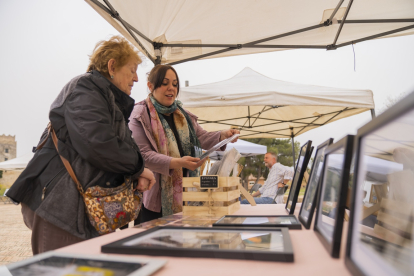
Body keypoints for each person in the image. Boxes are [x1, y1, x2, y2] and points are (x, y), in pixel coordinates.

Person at [6, 36, 155, 254]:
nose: (136, 78)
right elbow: (99, 144)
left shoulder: (104, 96)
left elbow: (112, 146)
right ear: (112, 66)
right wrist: (140, 168)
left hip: (81, 210)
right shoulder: (85, 88)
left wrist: (136, 172)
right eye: (132, 69)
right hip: (60, 208)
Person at [129, 64, 239, 223]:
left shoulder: (183, 114)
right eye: (165, 83)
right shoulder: (140, 114)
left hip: (187, 195)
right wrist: (178, 163)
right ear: (150, 86)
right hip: (155, 199)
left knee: (182, 240)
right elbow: (143, 155)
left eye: (174, 84)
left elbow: (201, 137)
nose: (171, 88)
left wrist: (223, 135)